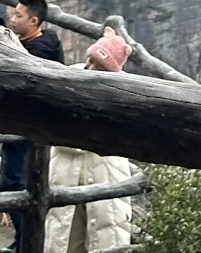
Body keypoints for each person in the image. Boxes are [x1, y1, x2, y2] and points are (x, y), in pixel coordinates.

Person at [44, 29, 134, 253]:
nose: (92, 69)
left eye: (100, 66)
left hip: (106, 169)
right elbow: (52, 127)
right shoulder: (67, 80)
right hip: (66, 168)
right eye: (91, 61)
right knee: (64, 236)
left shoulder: (124, 95)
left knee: (106, 233)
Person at [0, 0, 65, 253]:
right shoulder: (39, 44)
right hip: (21, 128)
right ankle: (22, 242)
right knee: (21, 188)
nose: (12, 19)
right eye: (13, 13)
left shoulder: (36, 55)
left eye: (18, 15)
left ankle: (28, 245)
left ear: (34, 21)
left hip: (27, 130)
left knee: (13, 187)